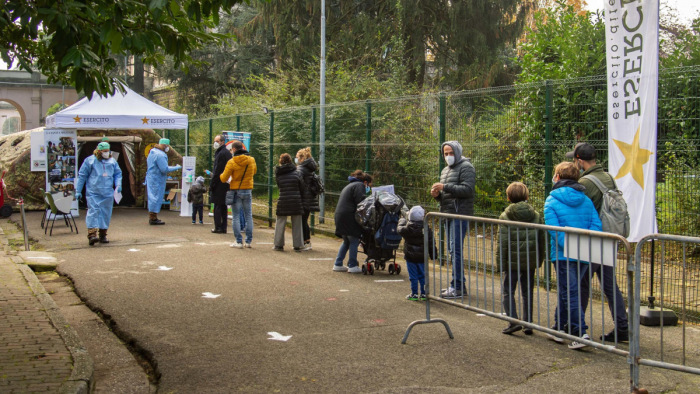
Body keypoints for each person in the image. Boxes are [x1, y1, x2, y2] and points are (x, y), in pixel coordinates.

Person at [567, 142, 630, 342]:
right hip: (610, 238)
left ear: (579, 160)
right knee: (611, 286)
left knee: (582, 284)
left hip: (593, 240)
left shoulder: (586, 183)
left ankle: (577, 327)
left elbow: (579, 209)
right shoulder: (609, 177)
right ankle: (622, 327)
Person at [544, 161, 602, 350]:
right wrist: (583, 244)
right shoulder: (586, 200)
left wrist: (567, 245)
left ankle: (579, 332)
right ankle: (559, 327)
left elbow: (555, 230)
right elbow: (596, 225)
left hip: (563, 255)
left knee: (570, 292)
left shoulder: (551, 200)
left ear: (557, 177)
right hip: (583, 253)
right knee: (567, 290)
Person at [496, 182, 545, 335]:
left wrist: (500, 263)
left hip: (511, 262)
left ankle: (513, 321)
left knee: (507, 291)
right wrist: (539, 259)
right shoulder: (536, 215)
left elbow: (501, 243)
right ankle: (528, 323)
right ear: (527, 196)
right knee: (527, 291)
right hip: (529, 261)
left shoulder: (505, 216)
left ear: (508, 197)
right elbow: (541, 239)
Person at [430, 141, 476, 298]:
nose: (448, 156)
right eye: (445, 153)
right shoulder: (445, 170)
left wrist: (444, 188)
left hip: (459, 214)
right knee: (451, 249)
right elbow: (447, 195)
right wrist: (438, 196)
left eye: (451, 153)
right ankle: (455, 284)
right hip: (448, 213)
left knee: (455, 249)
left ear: (457, 152)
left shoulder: (466, 167)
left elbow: (468, 189)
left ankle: (458, 286)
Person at [75, 141, 122, 245]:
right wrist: (78, 190)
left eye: (107, 151)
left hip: (107, 192)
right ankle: (92, 235)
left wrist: (118, 185)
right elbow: (82, 175)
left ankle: (103, 234)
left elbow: (118, 174)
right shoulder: (90, 161)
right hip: (93, 191)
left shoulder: (112, 161)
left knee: (105, 213)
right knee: (93, 211)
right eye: (104, 151)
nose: (106, 153)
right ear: (99, 151)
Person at [220, 140, 257, 248]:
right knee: (248, 215)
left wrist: (223, 175)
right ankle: (249, 241)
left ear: (234, 149)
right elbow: (254, 171)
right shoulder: (251, 160)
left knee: (236, 216)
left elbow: (224, 178)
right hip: (248, 189)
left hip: (236, 190)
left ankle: (239, 241)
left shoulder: (232, 162)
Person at [333, 170, 372, 273]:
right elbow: (361, 204)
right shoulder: (359, 186)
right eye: (369, 185)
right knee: (354, 240)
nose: (369, 188)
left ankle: (338, 263)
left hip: (341, 215)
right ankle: (353, 265)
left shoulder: (350, 185)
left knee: (346, 241)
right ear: (365, 182)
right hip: (349, 216)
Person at [397, 205, 435, 301]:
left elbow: (399, 229)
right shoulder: (426, 229)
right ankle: (424, 293)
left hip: (410, 256)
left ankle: (414, 293)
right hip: (422, 257)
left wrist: (402, 220)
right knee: (422, 275)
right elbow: (431, 242)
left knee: (413, 276)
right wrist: (433, 254)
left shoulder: (407, 229)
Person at [272, 153, 306, 251]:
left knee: (280, 222)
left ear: (280, 161)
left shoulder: (278, 173)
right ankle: (297, 245)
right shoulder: (297, 172)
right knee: (297, 223)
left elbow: (279, 186)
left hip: (283, 199)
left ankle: (278, 244)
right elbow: (302, 186)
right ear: (291, 161)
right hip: (296, 200)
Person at [146, 138, 181, 225]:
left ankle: (152, 216)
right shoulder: (160, 155)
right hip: (157, 179)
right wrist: (177, 167)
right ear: (165, 145)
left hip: (152, 178)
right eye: (167, 146)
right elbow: (164, 169)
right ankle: (153, 218)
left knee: (152, 197)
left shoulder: (152, 152)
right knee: (156, 198)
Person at [206, 134, 232, 233]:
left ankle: (218, 226)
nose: (215, 143)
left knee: (217, 206)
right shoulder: (226, 153)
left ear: (222, 142)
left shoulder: (221, 153)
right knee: (223, 206)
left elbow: (217, 170)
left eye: (217, 141)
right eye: (214, 141)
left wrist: (212, 184)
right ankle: (223, 227)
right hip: (225, 182)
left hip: (220, 183)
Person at [295, 147, 319, 249]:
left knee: (302, 220)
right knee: (304, 219)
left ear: (301, 158)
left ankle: (305, 241)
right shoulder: (310, 168)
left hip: (303, 197)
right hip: (309, 198)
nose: (295, 159)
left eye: (296, 157)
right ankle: (306, 241)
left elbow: (298, 183)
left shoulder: (301, 169)